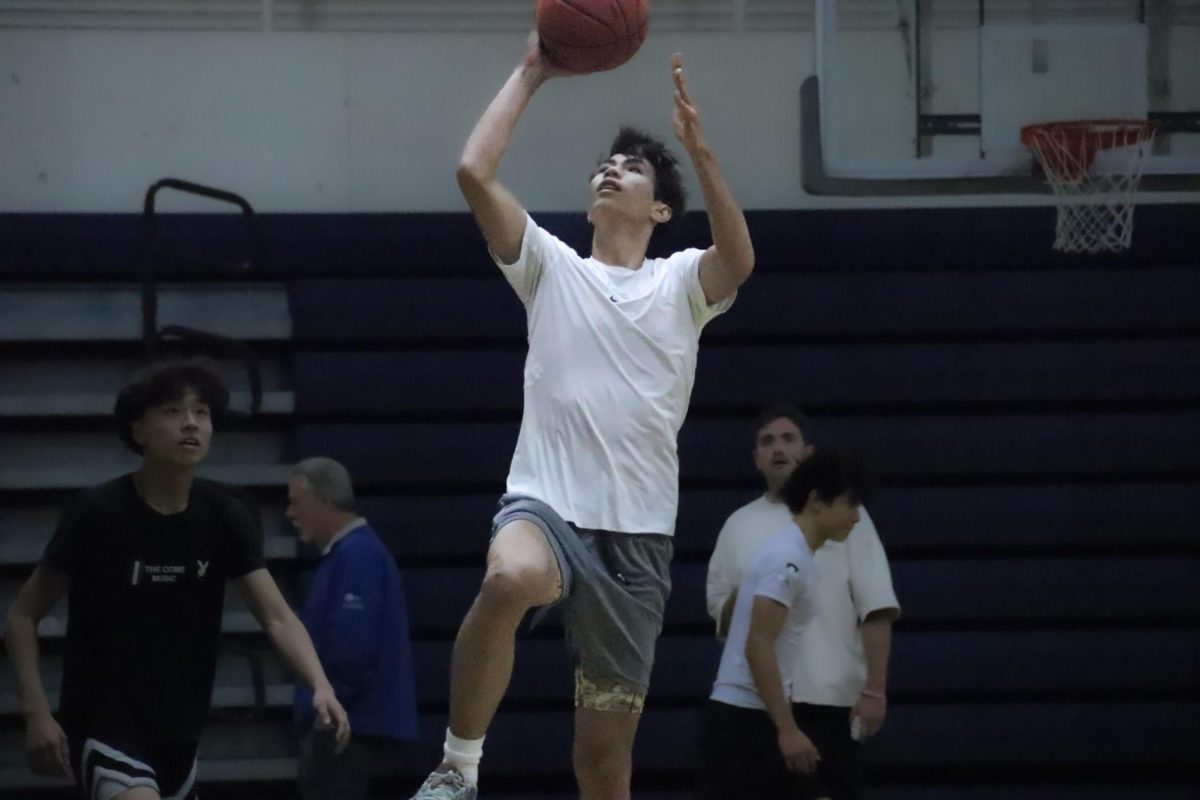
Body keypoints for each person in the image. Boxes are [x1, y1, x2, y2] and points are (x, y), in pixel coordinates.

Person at [409, 34, 755, 800]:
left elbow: (738, 260)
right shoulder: (551, 266)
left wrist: (702, 152)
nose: (610, 168)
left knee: (603, 766)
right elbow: (473, 171)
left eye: (630, 167)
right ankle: (457, 769)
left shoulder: (679, 285)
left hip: (637, 539)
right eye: (606, 163)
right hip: (548, 504)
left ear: (660, 208)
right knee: (511, 576)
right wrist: (534, 70)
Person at [4, 358, 350, 800]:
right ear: (138, 431)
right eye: (173, 411)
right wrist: (36, 712)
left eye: (201, 412)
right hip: (106, 726)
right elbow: (21, 615)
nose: (191, 423)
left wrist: (320, 685)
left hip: (181, 735)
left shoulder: (226, 516)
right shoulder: (98, 513)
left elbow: (278, 617)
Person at [706, 404, 901, 800]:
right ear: (818, 502)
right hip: (757, 714)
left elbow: (876, 606)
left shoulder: (799, 551)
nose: (856, 517)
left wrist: (874, 690)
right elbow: (755, 641)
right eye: (848, 505)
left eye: (788, 438)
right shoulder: (784, 557)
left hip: (801, 706)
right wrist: (787, 727)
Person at [286, 456, 419, 800]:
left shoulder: (356, 556)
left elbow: (353, 649)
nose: (290, 513)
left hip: (346, 729)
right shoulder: (353, 555)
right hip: (351, 725)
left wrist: (327, 708)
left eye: (296, 503)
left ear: (325, 502)